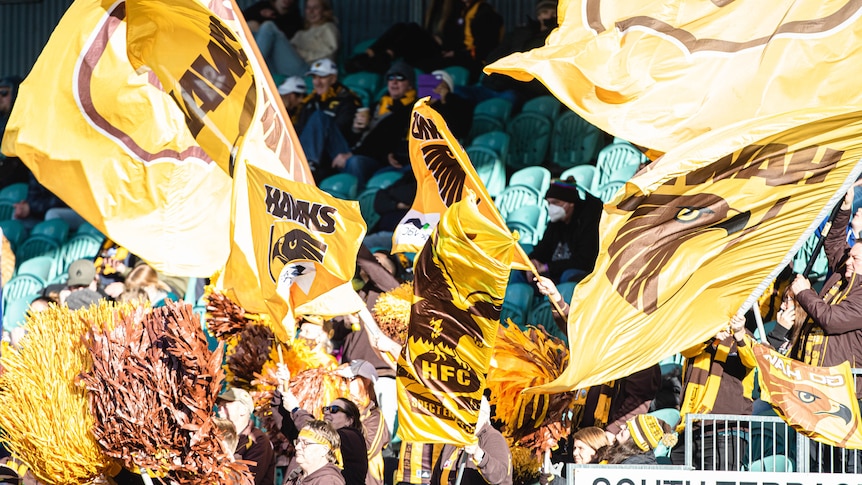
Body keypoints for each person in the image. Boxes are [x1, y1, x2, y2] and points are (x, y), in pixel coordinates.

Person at [771, 188, 862, 472]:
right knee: (814, 465)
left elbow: (832, 320)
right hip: (814, 389)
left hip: (844, 396)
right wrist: (844, 208)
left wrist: (805, 293)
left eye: (855, 259)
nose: (848, 261)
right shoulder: (844, 272)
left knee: (840, 466)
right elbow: (835, 243)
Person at [670, 315, 754, 470]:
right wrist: (710, 334)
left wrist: (739, 333)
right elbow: (686, 349)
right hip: (690, 429)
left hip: (724, 431)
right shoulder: (696, 336)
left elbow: (753, 359)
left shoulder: (744, 335)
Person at [273, 365, 369, 485]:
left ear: (350, 420)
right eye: (326, 409)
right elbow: (286, 424)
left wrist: (296, 409)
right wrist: (282, 390)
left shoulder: (352, 437)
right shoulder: (311, 436)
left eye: (334, 409)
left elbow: (318, 433)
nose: (328, 412)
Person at [294, 59, 362, 179]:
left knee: (319, 117)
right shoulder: (310, 102)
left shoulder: (347, 99)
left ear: (333, 78)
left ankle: (307, 168)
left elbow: (343, 131)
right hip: (317, 156)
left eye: (322, 77)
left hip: (340, 151)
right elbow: (300, 130)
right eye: (314, 77)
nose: (317, 82)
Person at [529, 180, 603, 283]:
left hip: (582, 274)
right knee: (521, 272)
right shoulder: (554, 224)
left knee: (568, 275)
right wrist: (532, 261)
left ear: (570, 203)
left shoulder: (588, 223)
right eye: (549, 203)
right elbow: (543, 248)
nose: (551, 207)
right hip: (555, 272)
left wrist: (547, 267)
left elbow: (584, 261)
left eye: (555, 203)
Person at [430, 396, 512, 485]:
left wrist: (479, 455)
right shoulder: (456, 437)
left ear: (483, 416)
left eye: (469, 415)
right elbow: (436, 476)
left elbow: (499, 475)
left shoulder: (493, 437)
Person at [255, 0, 339, 78]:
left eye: (315, 8)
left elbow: (329, 54)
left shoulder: (328, 28)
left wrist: (299, 53)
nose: (311, 11)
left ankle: (252, 67)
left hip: (308, 70)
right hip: (290, 66)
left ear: (324, 11)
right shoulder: (301, 33)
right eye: (308, 8)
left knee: (269, 27)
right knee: (257, 36)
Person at [339, 360, 389, 485]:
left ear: (366, 381)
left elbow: (366, 450)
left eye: (349, 379)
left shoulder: (375, 417)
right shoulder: (336, 411)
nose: (343, 385)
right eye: (342, 380)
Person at [216, 387, 276, 485]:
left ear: (243, 410)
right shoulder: (220, 437)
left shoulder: (258, 441)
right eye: (219, 406)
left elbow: (248, 481)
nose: (220, 411)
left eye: (225, 406)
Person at [284, 420, 345, 485]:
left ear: (324, 450)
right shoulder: (295, 477)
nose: (297, 447)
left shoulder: (328, 481)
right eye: (298, 442)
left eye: (306, 443)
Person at [608, 415, 676, 465]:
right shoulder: (633, 459)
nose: (621, 426)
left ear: (635, 440)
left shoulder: (633, 467)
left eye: (627, 428)